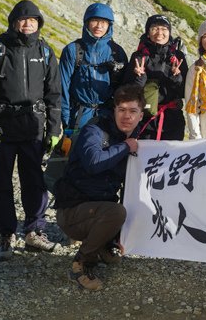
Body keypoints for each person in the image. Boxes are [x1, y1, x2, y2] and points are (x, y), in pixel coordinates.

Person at [0, 0, 62, 260]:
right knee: (0, 184)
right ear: (14, 22)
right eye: (23, 20)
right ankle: (5, 235)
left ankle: (34, 232)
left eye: (32, 20)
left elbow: (54, 95)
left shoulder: (45, 52)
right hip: (2, 128)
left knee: (34, 182)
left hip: (33, 127)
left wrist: (54, 128)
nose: (27, 24)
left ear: (38, 24)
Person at [54, 84, 146, 291]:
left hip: (97, 207)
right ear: (113, 111)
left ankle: (104, 245)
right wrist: (124, 147)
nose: (126, 116)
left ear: (141, 115)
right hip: (72, 212)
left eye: (133, 111)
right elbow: (94, 162)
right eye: (121, 110)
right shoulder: (94, 131)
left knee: (135, 206)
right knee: (116, 212)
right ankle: (80, 265)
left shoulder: (133, 139)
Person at [59, 3, 128, 134]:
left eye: (103, 22)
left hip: (108, 117)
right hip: (78, 117)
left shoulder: (117, 52)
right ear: (87, 23)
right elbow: (62, 87)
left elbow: (125, 87)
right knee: (73, 152)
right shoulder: (73, 50)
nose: (99, 26)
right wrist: (66, 118)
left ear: (109, 25)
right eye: (95, 21)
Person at [125, 14, 189, 140]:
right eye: (155, 28)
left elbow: (185, 92)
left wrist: (176, 77)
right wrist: (139, 79)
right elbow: (126, 93)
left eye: (164, 29)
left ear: (169, 33)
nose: (160, 33)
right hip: (143, 120)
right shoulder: (138, 56)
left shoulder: (178, 57)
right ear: (148, 33)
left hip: (172, 122)